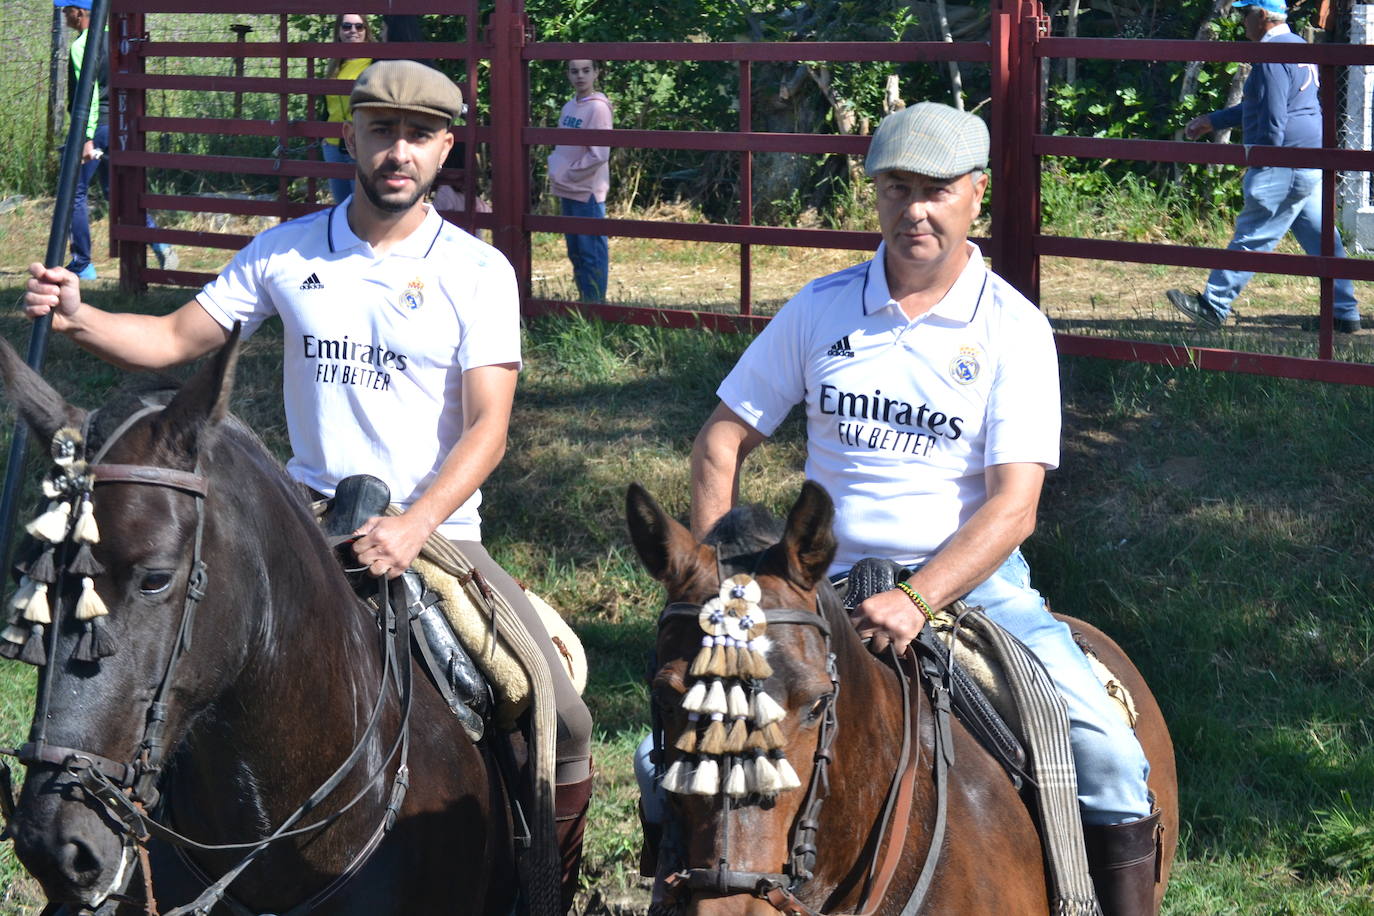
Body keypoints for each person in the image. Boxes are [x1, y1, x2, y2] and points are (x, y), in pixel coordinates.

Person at [25, 59, 592, 913]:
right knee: (186, 661)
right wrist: (81, 317)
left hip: (436, 538)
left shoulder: (479, 272)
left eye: (418, 135)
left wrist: (413, 525)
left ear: (445, 147)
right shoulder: (286, 250)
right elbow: (178, 335)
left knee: (560, 709)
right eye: (380, 130)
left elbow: (489, 428)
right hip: (299, 525)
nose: (397, 151)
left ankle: (538, 885)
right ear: (351, 135)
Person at [672, 102, 1159, 915]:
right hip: (814, 594)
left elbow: (1015, 507)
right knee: (678, 745)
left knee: (1107, 753)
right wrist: (730, 587)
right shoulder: (822, 309)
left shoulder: (1013, 328)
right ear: (874, 196)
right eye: (896, 189)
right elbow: (719, 443)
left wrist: (918, 596)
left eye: (936, 190)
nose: (915, 211)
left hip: (971, 591)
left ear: (976, 194)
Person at [1168, 0, 1362, 333]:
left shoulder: (1271, 55)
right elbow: (1262, 103)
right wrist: (1214, 121)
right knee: (1324, 241)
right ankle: (1344, 313)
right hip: (1307, 157)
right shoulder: (1298, 45)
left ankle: (1212, 306)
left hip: (1284, 159)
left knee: (1253, 234)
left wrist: (1266, 160)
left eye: (1245, 14)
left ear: (1261, 17)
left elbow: (1273, 114)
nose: (1242, 21)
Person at [56, 0, 175, 280]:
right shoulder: (118, 39)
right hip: (120, 126)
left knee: (75, 193)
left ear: (81, 11)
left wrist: (85, 137)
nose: (64, 15)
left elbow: (90, 95)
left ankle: (83, 264)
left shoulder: (81, 46)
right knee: (119, 194)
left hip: (94, 128)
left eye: (66, 9)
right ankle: (160, 243)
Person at [547, 59, 612, 302]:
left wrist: (568, 172)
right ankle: (585, 302)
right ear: (568, 74)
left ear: (596, 72)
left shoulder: (598, 108)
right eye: (574, 71)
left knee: (591, 251)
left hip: (588, 191)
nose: (580, 76)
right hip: (566, 189)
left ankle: (596, 307)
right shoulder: (568, 107)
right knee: (575, 250)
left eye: (586, 70)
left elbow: (599, 154)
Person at [320, 13, 374, 205]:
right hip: (333, 146)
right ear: (339, 31)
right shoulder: (335, 64)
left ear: (366, 31)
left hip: (361, 145)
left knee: (361, 207)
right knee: (341, 208)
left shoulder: (374, 62)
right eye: (347, 26)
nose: (353, 31)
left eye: (359, 27)